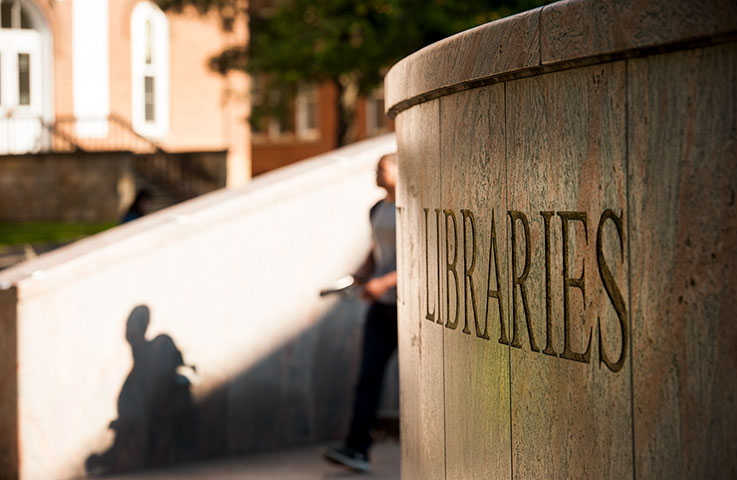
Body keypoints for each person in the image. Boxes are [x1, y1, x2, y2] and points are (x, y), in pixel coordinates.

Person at [323, 153, 398, 473]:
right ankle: (357, 449)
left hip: (406, 309)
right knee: (367, 377)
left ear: (399, 169)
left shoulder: (410, 207)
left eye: (381, 168)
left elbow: (419, 254)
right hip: (382, 309)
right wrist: (364, 272)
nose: (375, 173)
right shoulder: (377, 209)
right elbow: (377, 249)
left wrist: (383, 283)